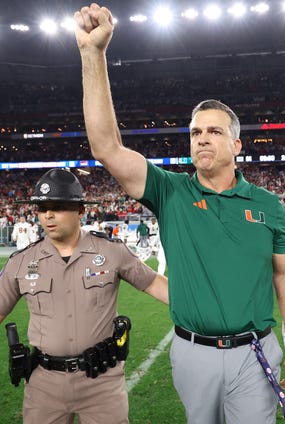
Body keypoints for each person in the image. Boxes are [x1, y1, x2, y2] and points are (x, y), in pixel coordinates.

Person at [74, 3, 285, 424]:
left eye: (214, 132)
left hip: (256, 351)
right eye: (196, 132)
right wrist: (94, 55)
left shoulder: (269, 205)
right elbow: (106, 147)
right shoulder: (170, 191)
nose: (202, 139)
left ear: (237, 145)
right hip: (192, 351)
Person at [0, 168, 168, 424]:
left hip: (101, 380)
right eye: (41, 207)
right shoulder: (21, 262)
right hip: (44, 385)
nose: (48, 214)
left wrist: (210, 303)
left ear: (81, 210)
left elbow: (155, 284)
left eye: (58, 206)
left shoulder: (111, 252)